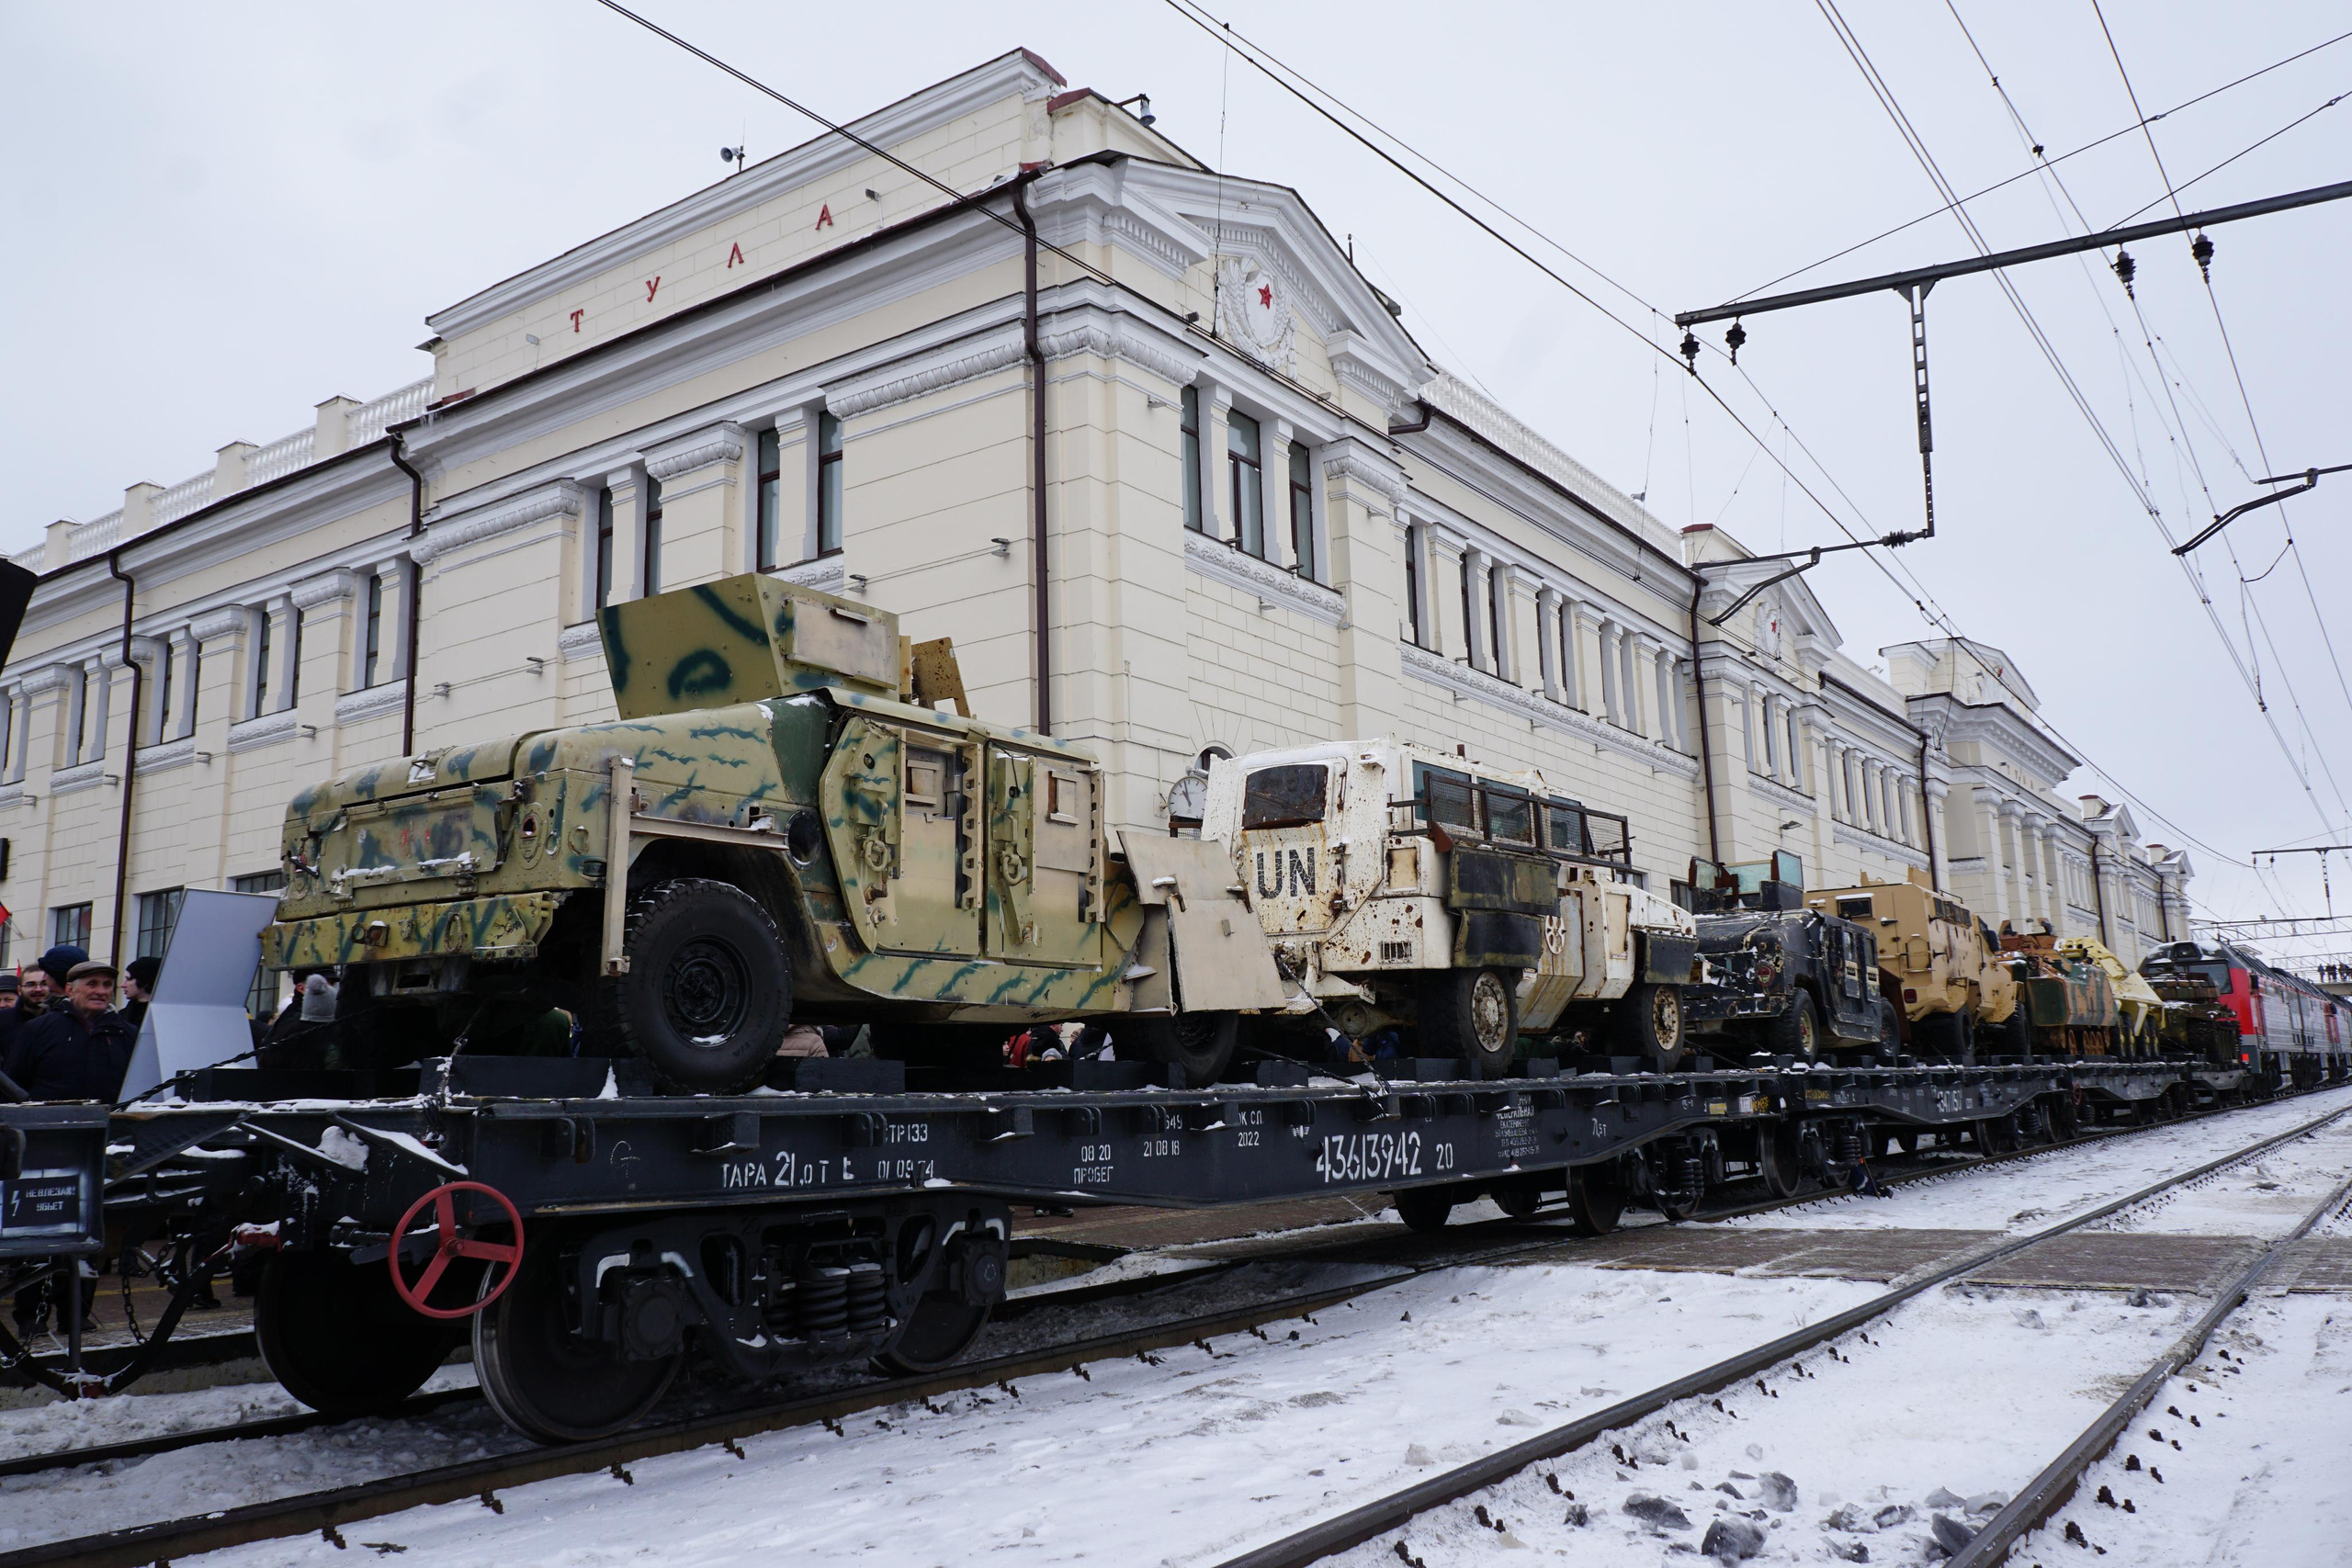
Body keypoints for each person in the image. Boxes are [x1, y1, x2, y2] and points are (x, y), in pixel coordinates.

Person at [9, 960, 139, 1102]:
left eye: (107, 985)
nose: (101, 991)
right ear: (70, 990)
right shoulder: (39, 1029)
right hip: (48, 1116)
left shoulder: (126, 1033)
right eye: (92, 984)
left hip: (111, 1116)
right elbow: (14, 1084)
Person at [0, 968, 53, 1087]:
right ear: (19, 990)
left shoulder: (59, 1021)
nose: (38, 989)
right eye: (31, 985)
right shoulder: (2, 1020)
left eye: (44, 984)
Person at [119, 955, 161, 1035]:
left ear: (144, 981)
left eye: (128, 979)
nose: (122, 985)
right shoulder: (121, 1017)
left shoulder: (164, 1017)